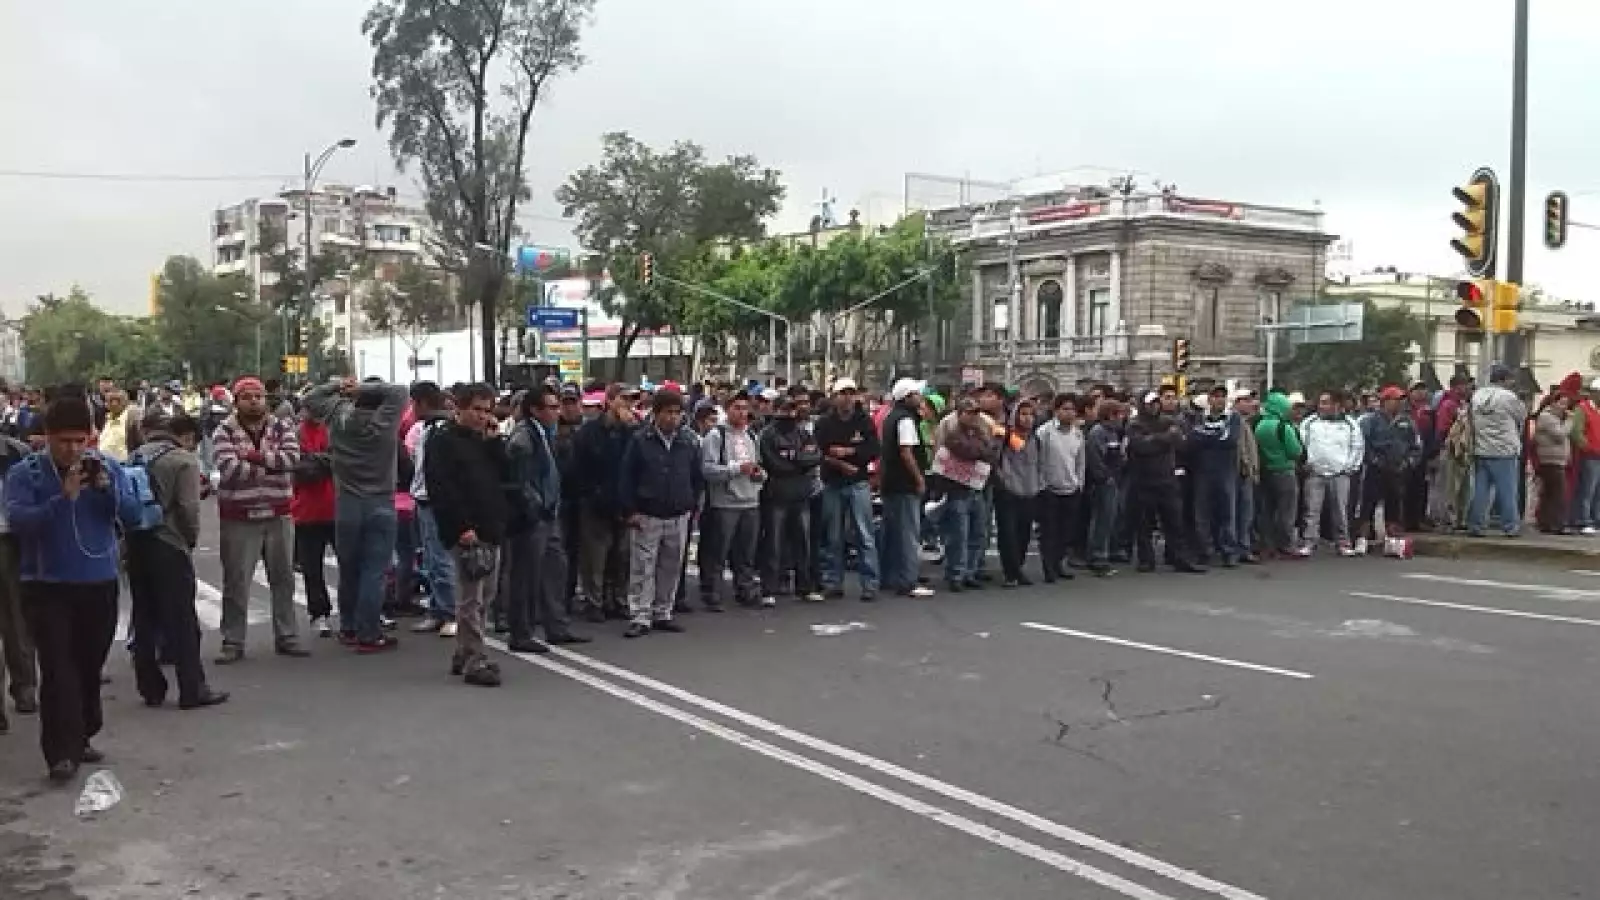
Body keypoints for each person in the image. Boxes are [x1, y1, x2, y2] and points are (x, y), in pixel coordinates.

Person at [5, 393, 142, 781]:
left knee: (87, 665)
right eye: (64, 440)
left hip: (98, 582)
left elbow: (133, 515)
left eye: (80, 440)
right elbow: (19, 522)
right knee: (58, 668)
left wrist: (105, 490)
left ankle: (81, 732)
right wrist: (61, 499)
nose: (73, 449)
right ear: (47, 437)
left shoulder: (108, 469)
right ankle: (60, 753)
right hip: (47, 587)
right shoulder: (26, 474)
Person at [124, 414, 228, 710]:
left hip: (136, 541)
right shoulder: (183, 460)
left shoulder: (134, 456)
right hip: (169, 543)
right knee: (182, 619)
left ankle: (150, 687)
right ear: (185, 437)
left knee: (144, 616)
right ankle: (192, 688)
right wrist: (190, 539)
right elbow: (188, 508)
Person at [304, 376, 409, 652]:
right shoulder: (386, 421)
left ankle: (348, 626)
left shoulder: (339, 417)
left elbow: (311, 398)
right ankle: (369, 632)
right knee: (374, 571)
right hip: (380, 501)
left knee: (349, 568)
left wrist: (339, 385)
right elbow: (399, 389)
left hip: (347, 503)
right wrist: (363, 387)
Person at [210, 376, 306, 664]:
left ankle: (287, 635)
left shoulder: (282, 426)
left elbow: (291, 460)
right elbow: (229, 470)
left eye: (259, 396)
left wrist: (252, 456)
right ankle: (233, 640)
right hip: (239, 516)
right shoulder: (223, 431)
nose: (255, 401)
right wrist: (269, 463)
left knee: (284, 578)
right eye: (248, 397)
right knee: (237, 581)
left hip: (278, 513)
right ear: (236, 401)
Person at [424, 383, 511, 686]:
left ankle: (464, 651)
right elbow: (442, 488)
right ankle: (476, 657)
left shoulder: (483, 439)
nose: (481, 416)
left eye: (486, 411)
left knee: (486, 595)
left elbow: (505, 474)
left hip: (491, 524)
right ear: (458, 408)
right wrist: (460, 527)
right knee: (470, 597)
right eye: (476, 409)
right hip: (466, 528)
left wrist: (495, 441)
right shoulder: (442, 441)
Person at [505, 385, 590, 652]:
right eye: (551, 407)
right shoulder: (523, 437)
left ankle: (557, 626)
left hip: (550, 513)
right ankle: (521, 632)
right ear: (535, 410)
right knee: (526, 575)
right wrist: (536, 507)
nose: (557, 411)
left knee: (556, 569)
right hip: (533, 517)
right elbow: (520, 481)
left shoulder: (545, 433)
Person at [617, 389, 703, 638]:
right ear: (656, 413)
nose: (673, 418)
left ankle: (663, 611)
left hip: (678, 512)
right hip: (648, 512)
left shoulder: (688, 440)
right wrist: (630, 509)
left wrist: (692, 504)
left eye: (677, 413)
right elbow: (627, 477)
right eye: (668, 413)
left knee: (671, 565)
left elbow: (696, 476)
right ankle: (640, 615)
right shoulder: (640, 440)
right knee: (643, 567)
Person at [572, 384, 638, 621]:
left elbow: (635, 464)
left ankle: (619, 600)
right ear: (609, 401)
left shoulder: (632, 432)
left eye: (632, 400)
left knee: (622, 557)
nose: (628, 405)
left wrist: (630, 429)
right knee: (595, 558)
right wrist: (593, 493)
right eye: (623, 399)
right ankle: (594, 602)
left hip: (623, 503)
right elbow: (581, 468)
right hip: (596, 502)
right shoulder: (590, 432)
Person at [698, 391, 767, 609]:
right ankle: (712, 591)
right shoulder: (716, 436)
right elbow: (707, 469)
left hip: (750, 500)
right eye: (736, 407)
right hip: (724, 503)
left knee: (746, 552)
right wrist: (737, 469)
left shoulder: (752, 436)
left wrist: (759, 475)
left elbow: (759, 465)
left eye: (745, 408)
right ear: (727, 410)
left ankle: (745, 589)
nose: (742, 413)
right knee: (717, 550)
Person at [814, 378, 881, 601]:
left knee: (865, 535)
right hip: (833, 483)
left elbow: (873, 449)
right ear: (834, 397)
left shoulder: (864, 421)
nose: (848, 398)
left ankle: (870, 584)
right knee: (833, 536)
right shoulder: (824, 423)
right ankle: (833, 582)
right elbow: (818, 453)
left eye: (851, 393)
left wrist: (848, 452)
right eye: (843, 393)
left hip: (858, 483)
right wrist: (840, 463)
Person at [1126, 392, 1204, 573]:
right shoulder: (1135, 424)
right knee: (1144, 524)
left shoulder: (1169, 421)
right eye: (1149, 403)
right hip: (1143, 479)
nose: (1154, 406)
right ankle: (1146, 560)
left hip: (1167, 479)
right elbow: (1141, 446)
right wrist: (1164, 438)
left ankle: (1179, 558)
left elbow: (1180, 442)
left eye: (1156, 403)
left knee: (1175, 522)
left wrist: (1156, 438)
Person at [758, 395, 824, 603]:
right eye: (785, 409)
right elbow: (773, 463)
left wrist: (793, 458)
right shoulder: (768, 434)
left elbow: (815, 457)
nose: (789, 413)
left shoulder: (803, 433)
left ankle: (804, 587)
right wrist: (798, 461)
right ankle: (769, 588)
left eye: (792, 409)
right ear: (776, 410)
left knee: (803, 543)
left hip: (801, 494)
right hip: (776, 494)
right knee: (774, 543)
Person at [405, 382, 458, 636]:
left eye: (413, 403)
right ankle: (438, 609)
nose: (411, 409)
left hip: (434, 500)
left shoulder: (440, 429)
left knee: (440, 558)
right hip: (423, 498)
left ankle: (450, 612)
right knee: (430, 558)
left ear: (423, 403)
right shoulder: (426, 428)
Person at [878, 379, 936, 599]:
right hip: (904, 483)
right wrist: (918, 478)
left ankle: (888, 576)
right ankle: (908, 580)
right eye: (917, 394)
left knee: (891, 532)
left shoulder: (890, 417)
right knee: (908, 533)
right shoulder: (905, 420)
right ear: (907, 397)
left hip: (891, 481)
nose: (920, 398)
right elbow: (906, 452)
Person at [936, 397, 998, 591]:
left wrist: (982, 451)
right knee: (959, 535)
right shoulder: (953, 433)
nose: (973, 417)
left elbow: (990, 452)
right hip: (957, 488)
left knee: (977, 533)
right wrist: (981, 451)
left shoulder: (980, 431)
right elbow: (966, 451)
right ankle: (956, 573)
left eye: (975, 413)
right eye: (969, 413)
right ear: (960, 414)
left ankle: (970, 572)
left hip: (977, 487)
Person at [0, 427, 36, 730]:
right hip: (12, 541)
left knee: (18, 620)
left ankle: (25, 688)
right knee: (16, 620)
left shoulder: (17, 453)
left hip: (12, 542)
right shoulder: (17, 452)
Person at [292, 403, 338, 638]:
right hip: (305, 511)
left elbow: (339, 460)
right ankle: (319, 613)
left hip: (335, 507)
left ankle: (357, 610)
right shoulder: (294, 434)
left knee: (351, 563)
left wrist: (316, 460)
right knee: (312, 568)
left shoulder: (333, 429)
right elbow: (298, 468)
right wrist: (324, 461)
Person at [1298, 391, 1363, 556]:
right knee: (1312, 510)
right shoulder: (1309, 422)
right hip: (1315, 473)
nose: (1323, 406)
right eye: (1321, 402)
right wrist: (1307, 463)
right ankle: (1309, 542)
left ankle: (1343, 543)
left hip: (1340, 473)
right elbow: (1302, 444)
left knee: (1341, 510)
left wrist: (1349, 467)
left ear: (1337, 405)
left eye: (1327, 402)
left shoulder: (1350, 424)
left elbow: (1357, 446)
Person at [1356, 386, 1420, 551]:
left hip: (1398, 469)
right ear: (1385, 401)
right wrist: (1373, 460)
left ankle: (1392, 541)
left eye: (1401, 400)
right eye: (1395, 400)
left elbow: (1416, 446)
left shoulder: (1407, 422)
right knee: (1368, 504)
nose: (1399, 403)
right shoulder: (1370, 420)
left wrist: (1409, 462)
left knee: (1394, 505)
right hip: (1376, 468)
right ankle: (1362, 538)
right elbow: (1363, 444)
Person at [1467, 364, 1528, 538]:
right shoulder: (1508, 397)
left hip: (1481, 448)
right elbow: (1522, 416)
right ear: (1503, 379)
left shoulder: (1477, 396)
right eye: (1510, 378)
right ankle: (1510, 526)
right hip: (1505, 450)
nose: (1512, 382)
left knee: (1480, 490)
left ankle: (1476, 524)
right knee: (1507, 491)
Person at [1188, 384, 1241, 566]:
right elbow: (1194, 438)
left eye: (1222, 396)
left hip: (1225, 470)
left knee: (1227, 513)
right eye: (1215, 396)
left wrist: (1208, 436)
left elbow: (1230, 439)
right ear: (1209, 399)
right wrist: (1214, 435)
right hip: (1203, 471)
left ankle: (1229, 551)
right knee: (1202, 513)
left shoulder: (1233, 418)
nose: (1219, 399)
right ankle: (1205, 550)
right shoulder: (1198, 417)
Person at [994, 397, 1045, 587]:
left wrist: (1039, 484)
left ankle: (1018, 568)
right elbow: (995, 457)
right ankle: (1011, 572)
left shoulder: (1035, 438)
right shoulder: (1005, 434)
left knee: (1023, 532)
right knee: (1008, 533)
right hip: (1008, 490)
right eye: (1023, 414)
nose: (1027, 418)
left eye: (1031, 414)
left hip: (1030, 490)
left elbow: (1039, 463)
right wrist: (1003, 480)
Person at [1036, 394, 1085, 582]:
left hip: (1070, 488)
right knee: (1049, 531)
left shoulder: (1077, 433)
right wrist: (1041, 485)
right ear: (1056, 411)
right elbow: (1038, 461)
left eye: (1072, 409)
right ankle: (1048, 567)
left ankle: (1058, 563)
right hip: (1049, 489)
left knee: (1066, 531)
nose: (1069, 413)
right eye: (1065, 409)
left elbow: (1080, 461)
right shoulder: (1045, 432)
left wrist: (1079, 483)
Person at [1253, 390, 1304, 559]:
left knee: (1266, 510)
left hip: (1266, 471)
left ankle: (1267, 545)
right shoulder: (1283, 426)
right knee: (1286, 511)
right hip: (1284, 470)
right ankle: (1286, 544)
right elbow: (1295, 451)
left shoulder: (1260, 425)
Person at [1084, 399, 1126, 576]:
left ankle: (1105, 552)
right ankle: (1097, 556)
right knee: (1102, 519)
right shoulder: (1098, 433)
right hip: (1103, 483)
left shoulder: (1113, 433)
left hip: (1113, 481)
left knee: (1110, 518)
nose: (1122, 418)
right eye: (1119, 414)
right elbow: (1096, 459)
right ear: (1110, 415)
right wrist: (1105, 477)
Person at [1534, 393, 1573, 534]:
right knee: (1558, 493)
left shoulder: (1555, 418)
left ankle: (1546, 523)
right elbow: (1560, 435)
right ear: (1553, 403)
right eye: (1561, 403)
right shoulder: (1547, 417)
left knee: (1549, 493)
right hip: (1550, 459)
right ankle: (1557, 524)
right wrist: (1569, 421)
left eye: (1566, 404)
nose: (1564, 407)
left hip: (1557, 459)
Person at [1568, 378, 1600, 534]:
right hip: (1590, 456)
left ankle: (1595, 519)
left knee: (1597, 491)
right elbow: (1576, 432)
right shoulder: (1583, 409)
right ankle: (1583, 520)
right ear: (1594, 394)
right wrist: (1588, 448)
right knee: (1587, 489)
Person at [97, 389, 142, 463]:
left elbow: (140, 444)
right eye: (111, 401)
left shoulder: (132, 418)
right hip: (104, 465)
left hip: (124, 466)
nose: (114, 404)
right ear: (106, 404)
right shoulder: (106, 419)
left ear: (126, 402)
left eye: (118, 400)